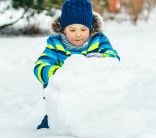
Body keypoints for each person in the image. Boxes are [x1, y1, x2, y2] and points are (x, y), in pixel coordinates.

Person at [34, 0, 120, 129]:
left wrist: (97, 61)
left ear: (91, 28)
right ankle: (55, 120)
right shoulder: (55, 44)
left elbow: (112, 57)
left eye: (83, 29)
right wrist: (60, 76)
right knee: (51, 128)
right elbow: (41, 65)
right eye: (72, 29)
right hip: (63, 99)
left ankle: (95, 117)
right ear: (63, 28)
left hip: (91, 96)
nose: (78, 34)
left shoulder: (99, 40)